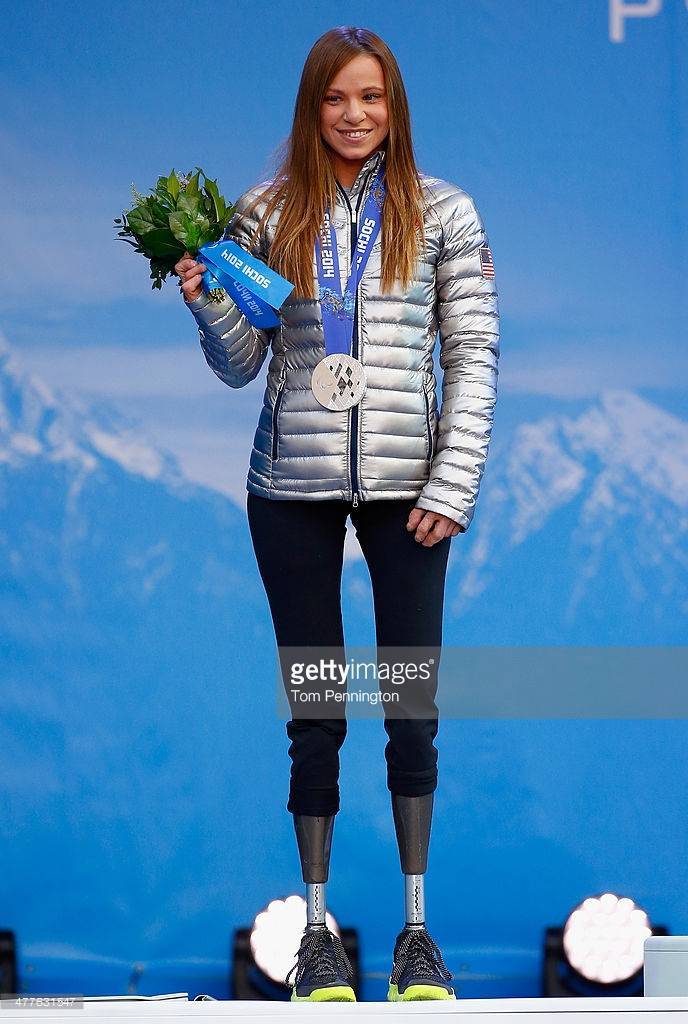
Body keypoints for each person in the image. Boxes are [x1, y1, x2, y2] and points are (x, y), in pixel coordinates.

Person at [175, 25, 499, 1003]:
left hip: (409, 491)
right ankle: (317, 932)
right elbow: (240, 364)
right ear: (310, 108)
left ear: (394, 107)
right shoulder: (265, 211)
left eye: (372, 97)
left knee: (410, 707)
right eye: (335, 99)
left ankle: (413, 932)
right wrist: (203, 298)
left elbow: (474, 354)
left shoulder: (443, 213)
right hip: (292, 491)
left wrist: (452, 482)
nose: (354, 115)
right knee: (316, 711)